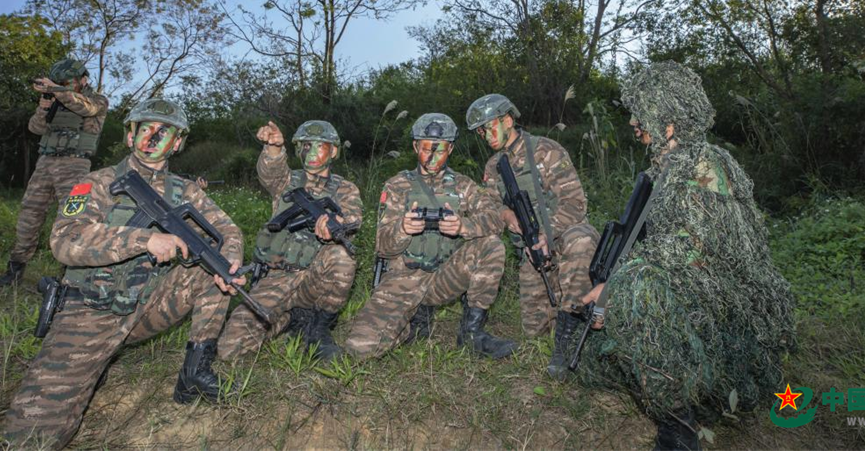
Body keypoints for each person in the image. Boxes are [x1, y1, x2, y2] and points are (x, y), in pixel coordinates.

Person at [574, 62, 795, 450]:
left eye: (641, 113)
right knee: (601, 348)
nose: (633, 122)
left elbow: (695, 246)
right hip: (693, 283)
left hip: (724, 295)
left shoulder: (706, 165)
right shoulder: (666, 168)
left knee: (638, 291)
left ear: (669, 122)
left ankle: (679, 421)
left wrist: (617, 284)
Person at [2, 98, 244, 450]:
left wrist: (229, 263)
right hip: (90, 313)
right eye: (146, 129)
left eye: (165, 132)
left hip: (146, 305)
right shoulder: (95, 183)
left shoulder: (185, 190)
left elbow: (229, 232)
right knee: (29, 435)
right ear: (130, 136)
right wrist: (144, 239)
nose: (154, 137)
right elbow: (65, 240)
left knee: (212, 271)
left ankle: (194, 374)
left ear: (177, 143)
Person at [344, 113, 516, 360]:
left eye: (441, 149)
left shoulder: (463, 185)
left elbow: (494, 221)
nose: (433, 157)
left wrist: (462, 226)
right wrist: (402, 229)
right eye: (426, 149)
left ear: (451, 149)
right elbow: (381, 246)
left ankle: (471, 334)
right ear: (415, 147)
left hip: (445, 276)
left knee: (492, 245)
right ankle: (411, 320)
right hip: (404, 280)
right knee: (360, 348)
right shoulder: (396, 186)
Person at [467, 93, 599, 379]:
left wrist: (546, 234)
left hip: (564, 236)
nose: (483, 135)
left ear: (508, 121)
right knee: (534, 333)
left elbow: (575, 203)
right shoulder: (493, 166)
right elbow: (489, 205)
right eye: (480, 130)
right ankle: (561, 315)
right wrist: (506, 215)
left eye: (488, 127)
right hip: (531, 252)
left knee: (582, 241)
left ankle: (570, 338)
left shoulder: (546, 151)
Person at [216, 120, 362, 362]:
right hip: (277, 277)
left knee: (342, 255)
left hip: (315, 277)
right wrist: (273, 148)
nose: (311, 153)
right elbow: (270, 172)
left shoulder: (345, 189)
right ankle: (288, 320)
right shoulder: (287, 181)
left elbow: (353, 219)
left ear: (334, 150)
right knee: (230, 348)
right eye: (305, 146)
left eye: (319, 146)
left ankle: (318, 329)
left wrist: (337, 224)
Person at [0, 58, 109, 288]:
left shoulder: (96, 100)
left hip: (75, 165)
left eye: (67, 82)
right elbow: (35, 128)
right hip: (46, 163)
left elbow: (86, 108)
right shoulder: (57, 99)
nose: (63, 85)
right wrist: (42, 108)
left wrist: (56, 90)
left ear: (83, 80)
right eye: (60, 82)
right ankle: (14, 270)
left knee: (73, 217)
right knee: (30, 214)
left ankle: (70, 276)